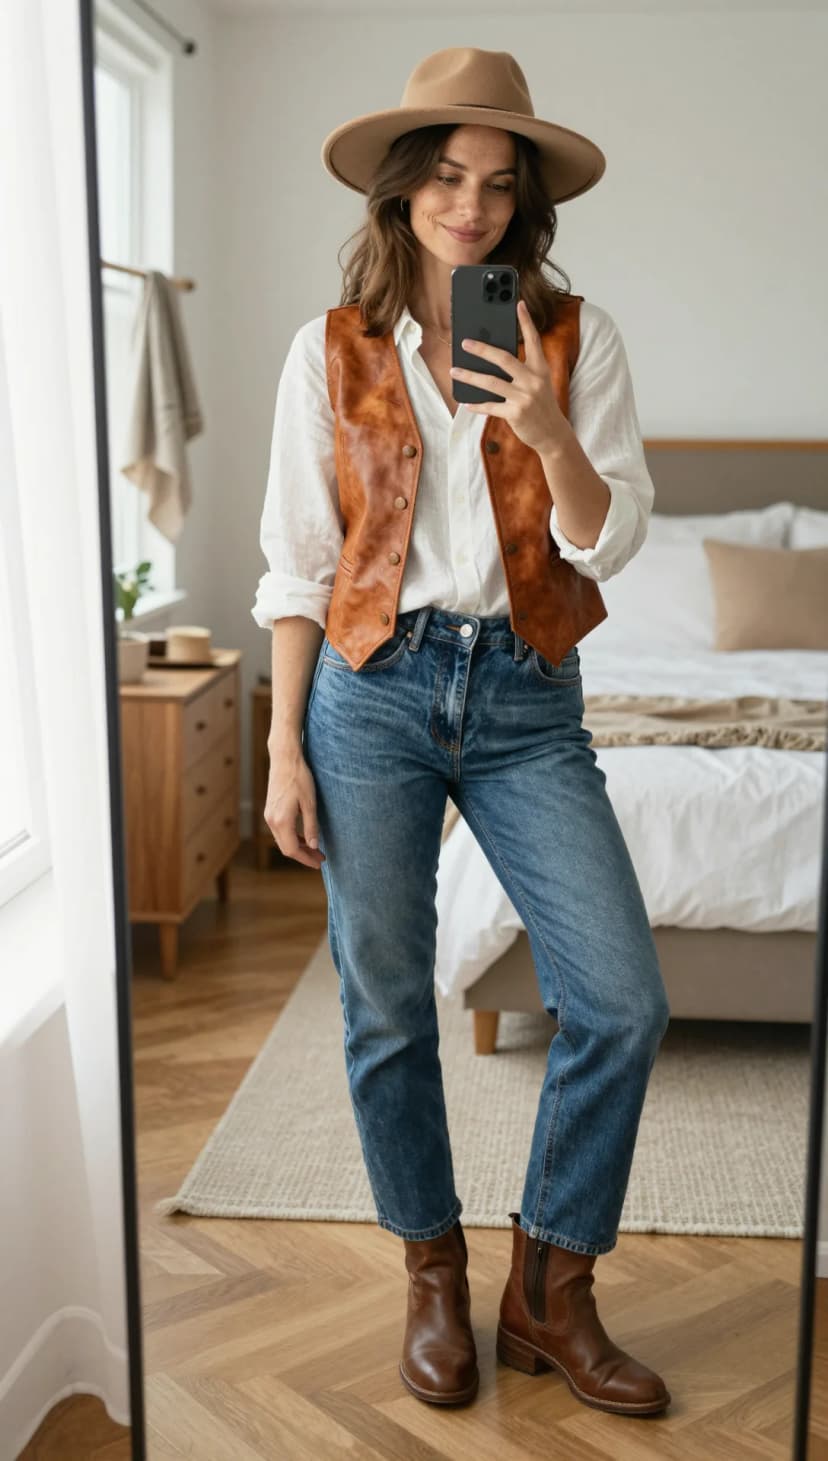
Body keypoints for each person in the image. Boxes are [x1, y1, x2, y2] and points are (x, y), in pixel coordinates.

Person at [252, 46, 672, 1419]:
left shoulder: (573, 335)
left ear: (526, 203)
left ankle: (549, 1288)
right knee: (384, 1004)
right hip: (370, 688)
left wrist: (549, 429)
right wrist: (280, 746)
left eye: (498, 183)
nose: (471, 205)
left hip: (524, 694)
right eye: (445, 175)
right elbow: (298, 564)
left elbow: (607, 539)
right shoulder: (329, 350)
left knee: (619, 998)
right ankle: (432, 1272)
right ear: (403, 187)